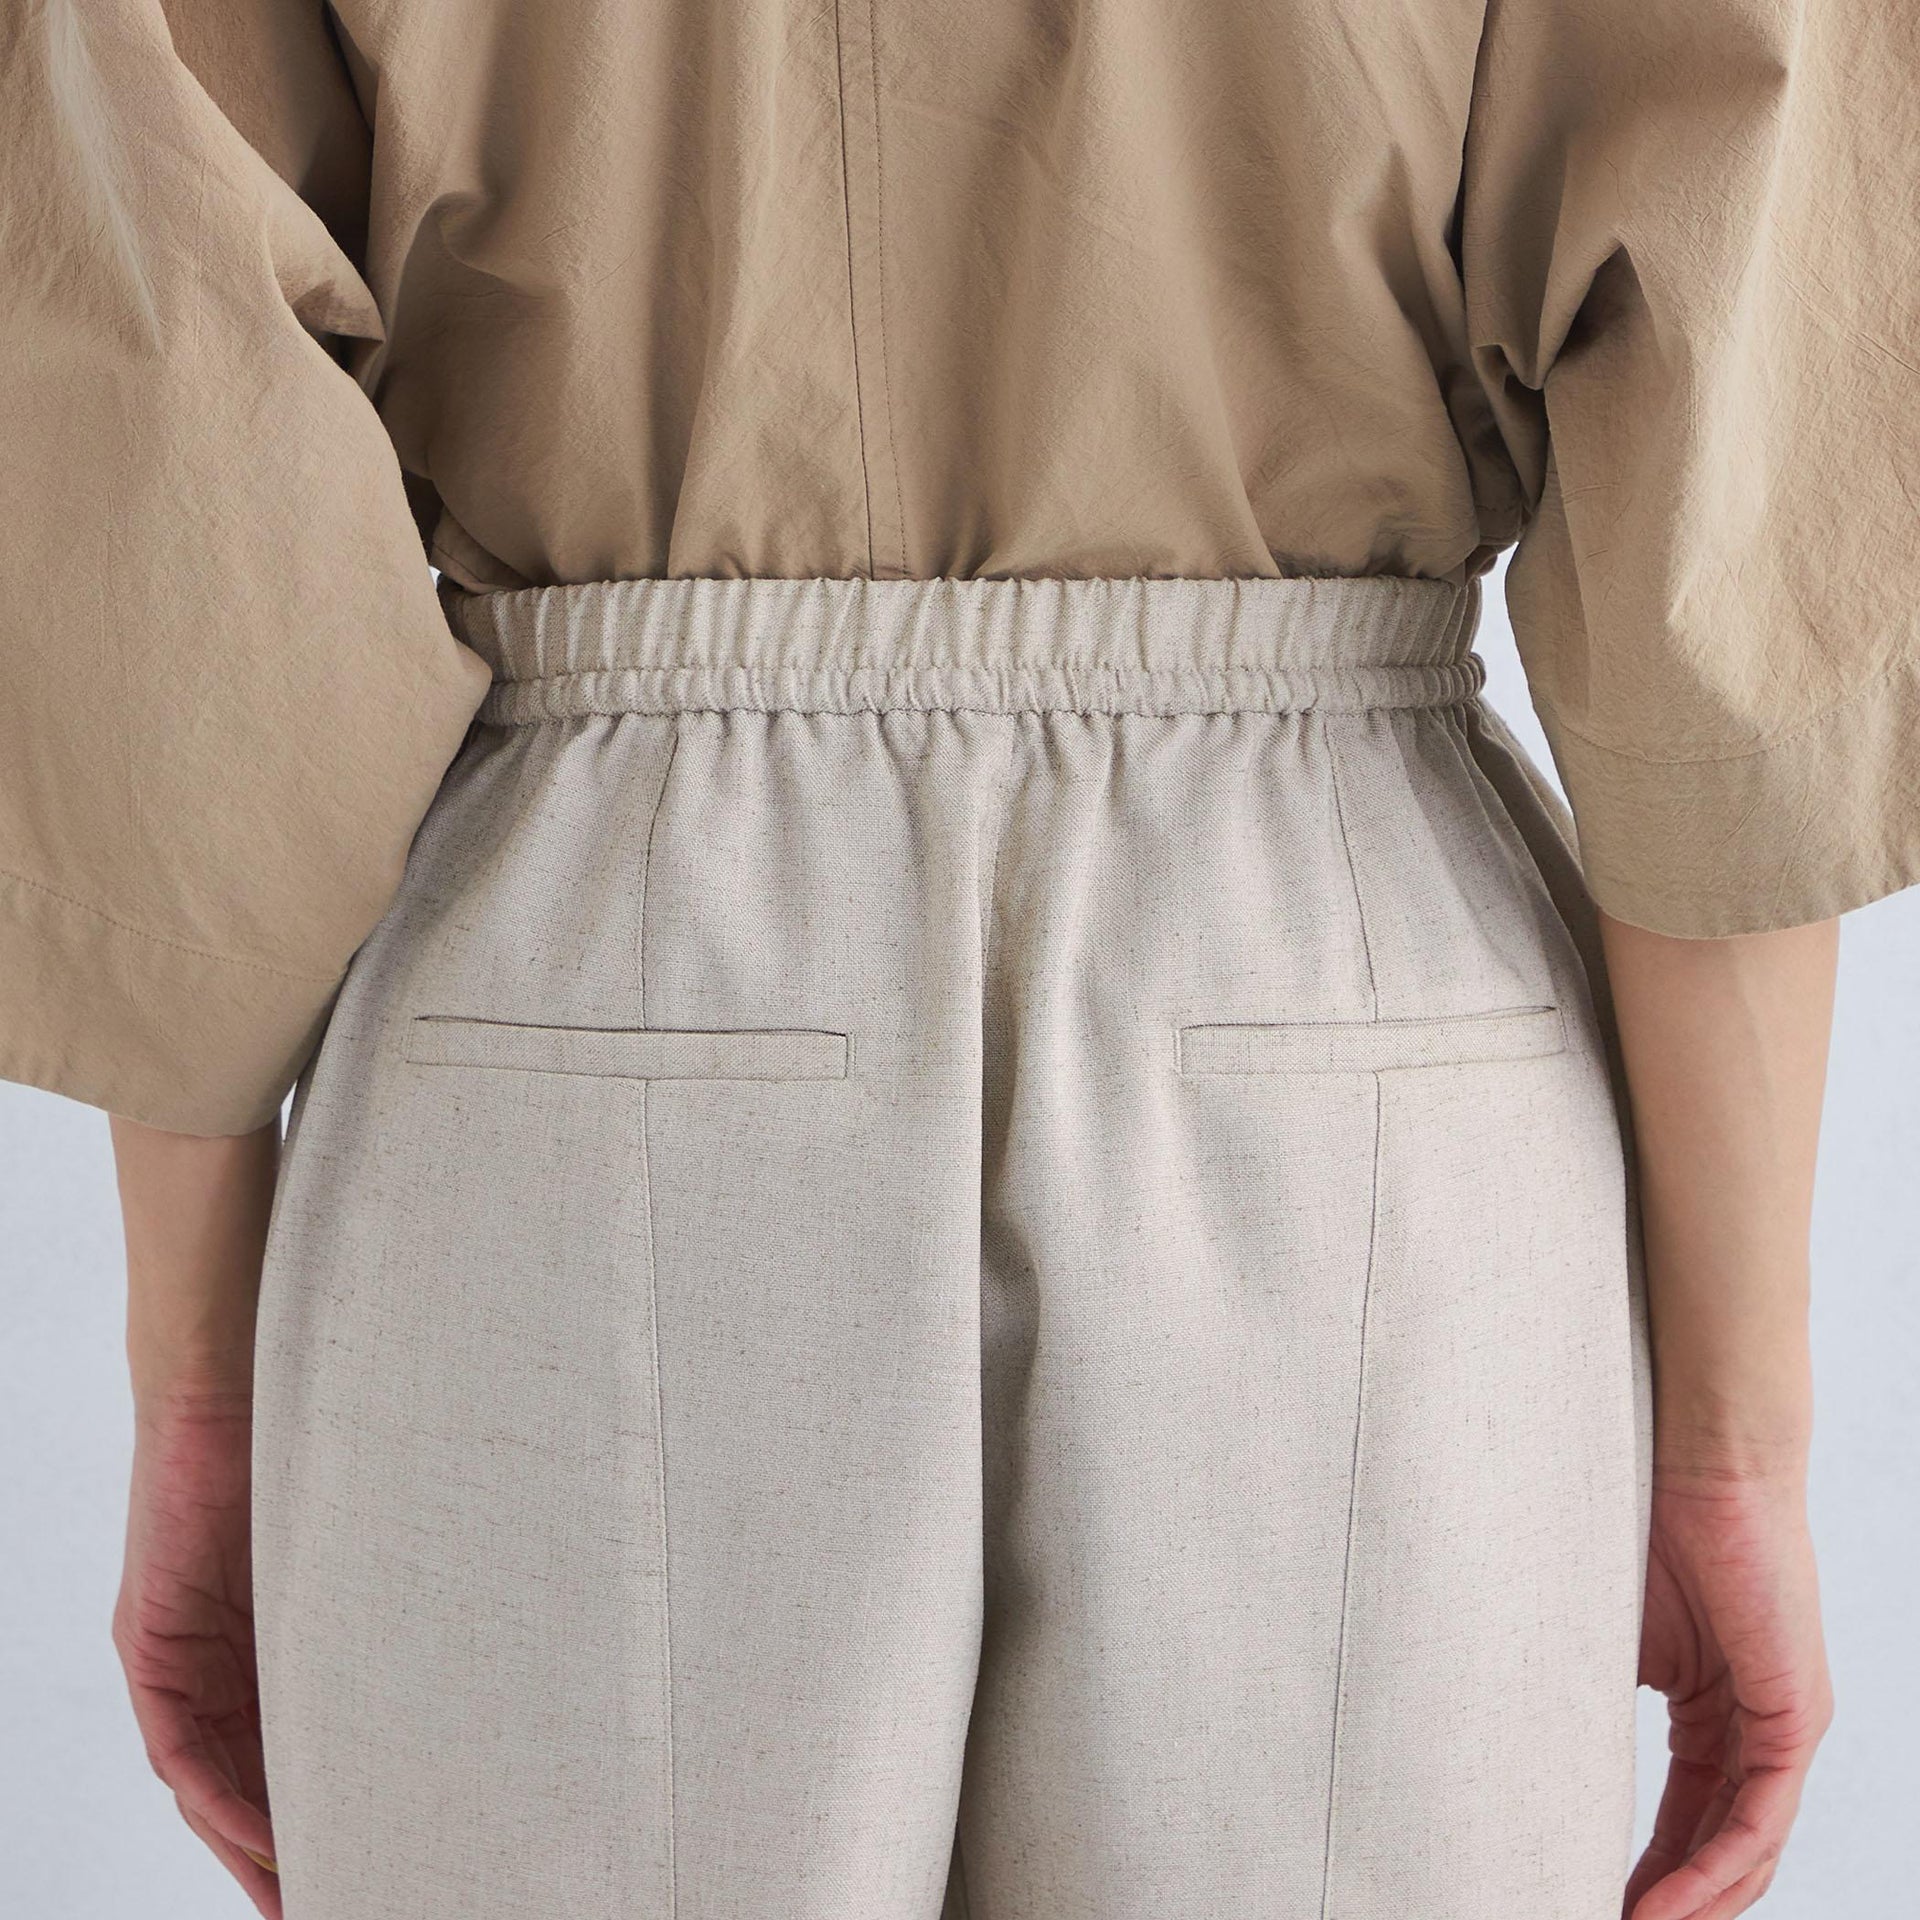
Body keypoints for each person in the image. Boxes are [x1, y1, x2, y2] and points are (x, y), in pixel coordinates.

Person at [3, 2, 1914, 1915]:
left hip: (579, 977)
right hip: (1346, 985)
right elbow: (1725, 503)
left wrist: (202, 1391)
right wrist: (1733, 1443)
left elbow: (182, 486)